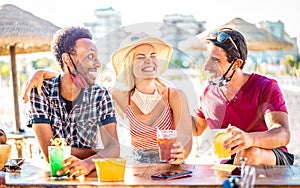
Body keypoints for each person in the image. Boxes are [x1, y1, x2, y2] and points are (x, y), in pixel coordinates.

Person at [23, 33, 193, 164]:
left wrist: (181, 153)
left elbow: (186, 140)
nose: (149, 61)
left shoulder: (175, 96)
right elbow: (72, 79)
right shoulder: (118, 96)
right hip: (137, 169)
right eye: (140, 57)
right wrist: (42, 73)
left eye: (153, 55)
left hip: (172, 168)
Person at [25, 26, 120, 178]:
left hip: (87, 177)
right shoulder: (40, 92)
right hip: (52, 179)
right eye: (90, 57)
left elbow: (114, 148)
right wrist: (97, 153)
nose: (98, 63)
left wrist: (88, 164)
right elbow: (51, 155)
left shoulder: (101, 94)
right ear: (67, 59)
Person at [193, 27, 294, 165]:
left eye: (215, 61)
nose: (206, 67)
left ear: (236, 64)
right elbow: (196, 128)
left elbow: (283, 133)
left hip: (270, 156)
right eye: (207, 59)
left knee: (248, 152)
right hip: (231, 163)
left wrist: (249, 139)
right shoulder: (208, 93)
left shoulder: (265, 87)